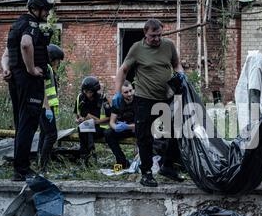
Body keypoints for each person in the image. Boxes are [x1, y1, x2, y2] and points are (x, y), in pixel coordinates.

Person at [113, 18, 186, 187]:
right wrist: (117, 93)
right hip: (144, 99)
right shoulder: (137, 49)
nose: (157, 39)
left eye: (159, 35)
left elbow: (176, 65)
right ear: (145, 33)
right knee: (144, 136)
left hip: (166, 97)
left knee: (176, 131)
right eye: (153, 36)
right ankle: (146, 173)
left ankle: (167, 166)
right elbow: (123, 69)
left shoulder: (168, 45)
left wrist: (181, 74)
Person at [1, 0, 54, 181]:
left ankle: (19, 169)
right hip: (28, 81)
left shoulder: (16, 25)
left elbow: (6, 54)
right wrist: (31, 69)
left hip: (15, 79)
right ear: (35, 9)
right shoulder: (31, 24)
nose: (47, 14)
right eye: (45, 10)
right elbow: (25, 45)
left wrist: (6, 69)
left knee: (20, 123)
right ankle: (22, 169)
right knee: (28, 124)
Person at [38, 44, 64, 173]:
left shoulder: (49, 69)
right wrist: (47, 108)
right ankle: (43, 166)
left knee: (44, 134)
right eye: (58, 60)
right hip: (44, 108)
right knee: (52, 134)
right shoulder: (46, 68)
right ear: (52, 58)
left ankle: (40, 163)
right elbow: (42, 88)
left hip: (46, 108)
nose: (59, 63)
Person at [74, 76, 111, 162]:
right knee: (83, 129)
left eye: (90, 92)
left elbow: (110, 117)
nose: (87, 94)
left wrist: (96, 121)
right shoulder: (80, 98)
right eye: (85, 91)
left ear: (94, 91)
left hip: (101, 127)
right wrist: (79, 120)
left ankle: (90, 155)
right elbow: (77, 116)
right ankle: (85, 156)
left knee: (87, 130)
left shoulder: (102, 99)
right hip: (86, 127)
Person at [104, 81, 136, 169]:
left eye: (131, 90)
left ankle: (141, 163)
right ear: (121, 93)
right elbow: (111, 122)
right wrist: (116, 127)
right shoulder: (118, 101)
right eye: (126, 92)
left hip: (137, 129)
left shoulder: (138, 101)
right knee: (108, 133)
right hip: (124, 129)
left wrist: (127, 127)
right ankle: (122, 161)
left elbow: (143, 124)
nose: (129, 94)